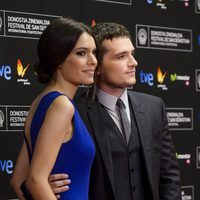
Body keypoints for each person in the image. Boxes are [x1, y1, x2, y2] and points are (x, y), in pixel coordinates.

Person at [11, 21, 181, 200]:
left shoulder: (154, 107)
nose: (134, 62)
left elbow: (169, 176)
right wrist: (42, 190)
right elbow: (31, 180)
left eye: (132, 54)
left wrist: (38, 188)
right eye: (121, 56)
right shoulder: (70, 109)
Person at [10, 17, 97, 200]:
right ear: (59, 59)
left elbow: (18, 181)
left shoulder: (39, 102)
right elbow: (34, 180)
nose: (93, 61)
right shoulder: (62, 106)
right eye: (81, 53)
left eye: (94, 53)